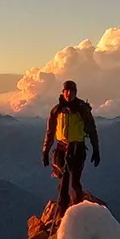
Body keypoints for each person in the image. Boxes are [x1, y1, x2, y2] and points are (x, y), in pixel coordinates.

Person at [42, 79, 100, 212]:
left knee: (74, 182)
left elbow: (91, 129)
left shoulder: (82, 109)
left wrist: (96, 149)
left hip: (77, 149)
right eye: (66, 91)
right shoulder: (57, 110)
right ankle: (63, 212)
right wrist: (45, 151)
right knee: (63, 181)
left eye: (71, 91)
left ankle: (76, 211)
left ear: (75, 93)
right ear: (63, 92)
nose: (69, 94)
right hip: (61, 149)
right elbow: (50, 132)